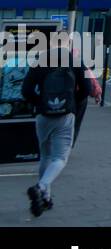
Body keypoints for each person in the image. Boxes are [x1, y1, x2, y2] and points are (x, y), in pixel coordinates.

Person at [20, 32, 90, 217]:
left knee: (45, 155)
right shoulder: (74, 60)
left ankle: (46, 199)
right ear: (68, 44)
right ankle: (41, 187)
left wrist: (39, 103)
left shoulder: (41, 60)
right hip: (65, 116)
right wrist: (72, 103)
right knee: (60, 158)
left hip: (43, 115)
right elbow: (87, 89)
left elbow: (26, 89)